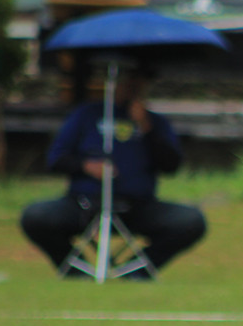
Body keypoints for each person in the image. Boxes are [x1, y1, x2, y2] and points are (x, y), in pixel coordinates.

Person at [20, 67, 206, 279]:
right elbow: (55, 159)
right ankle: (76, 269)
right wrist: (86, 166)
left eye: (138, 82)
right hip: (85, 204)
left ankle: (137, 270)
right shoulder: (86, 115)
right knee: (36, 216)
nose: (132, 87)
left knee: (190, 221)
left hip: (138, 207)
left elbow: (171, 165)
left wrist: (146, 127)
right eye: (127, 81)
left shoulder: (154, 122)